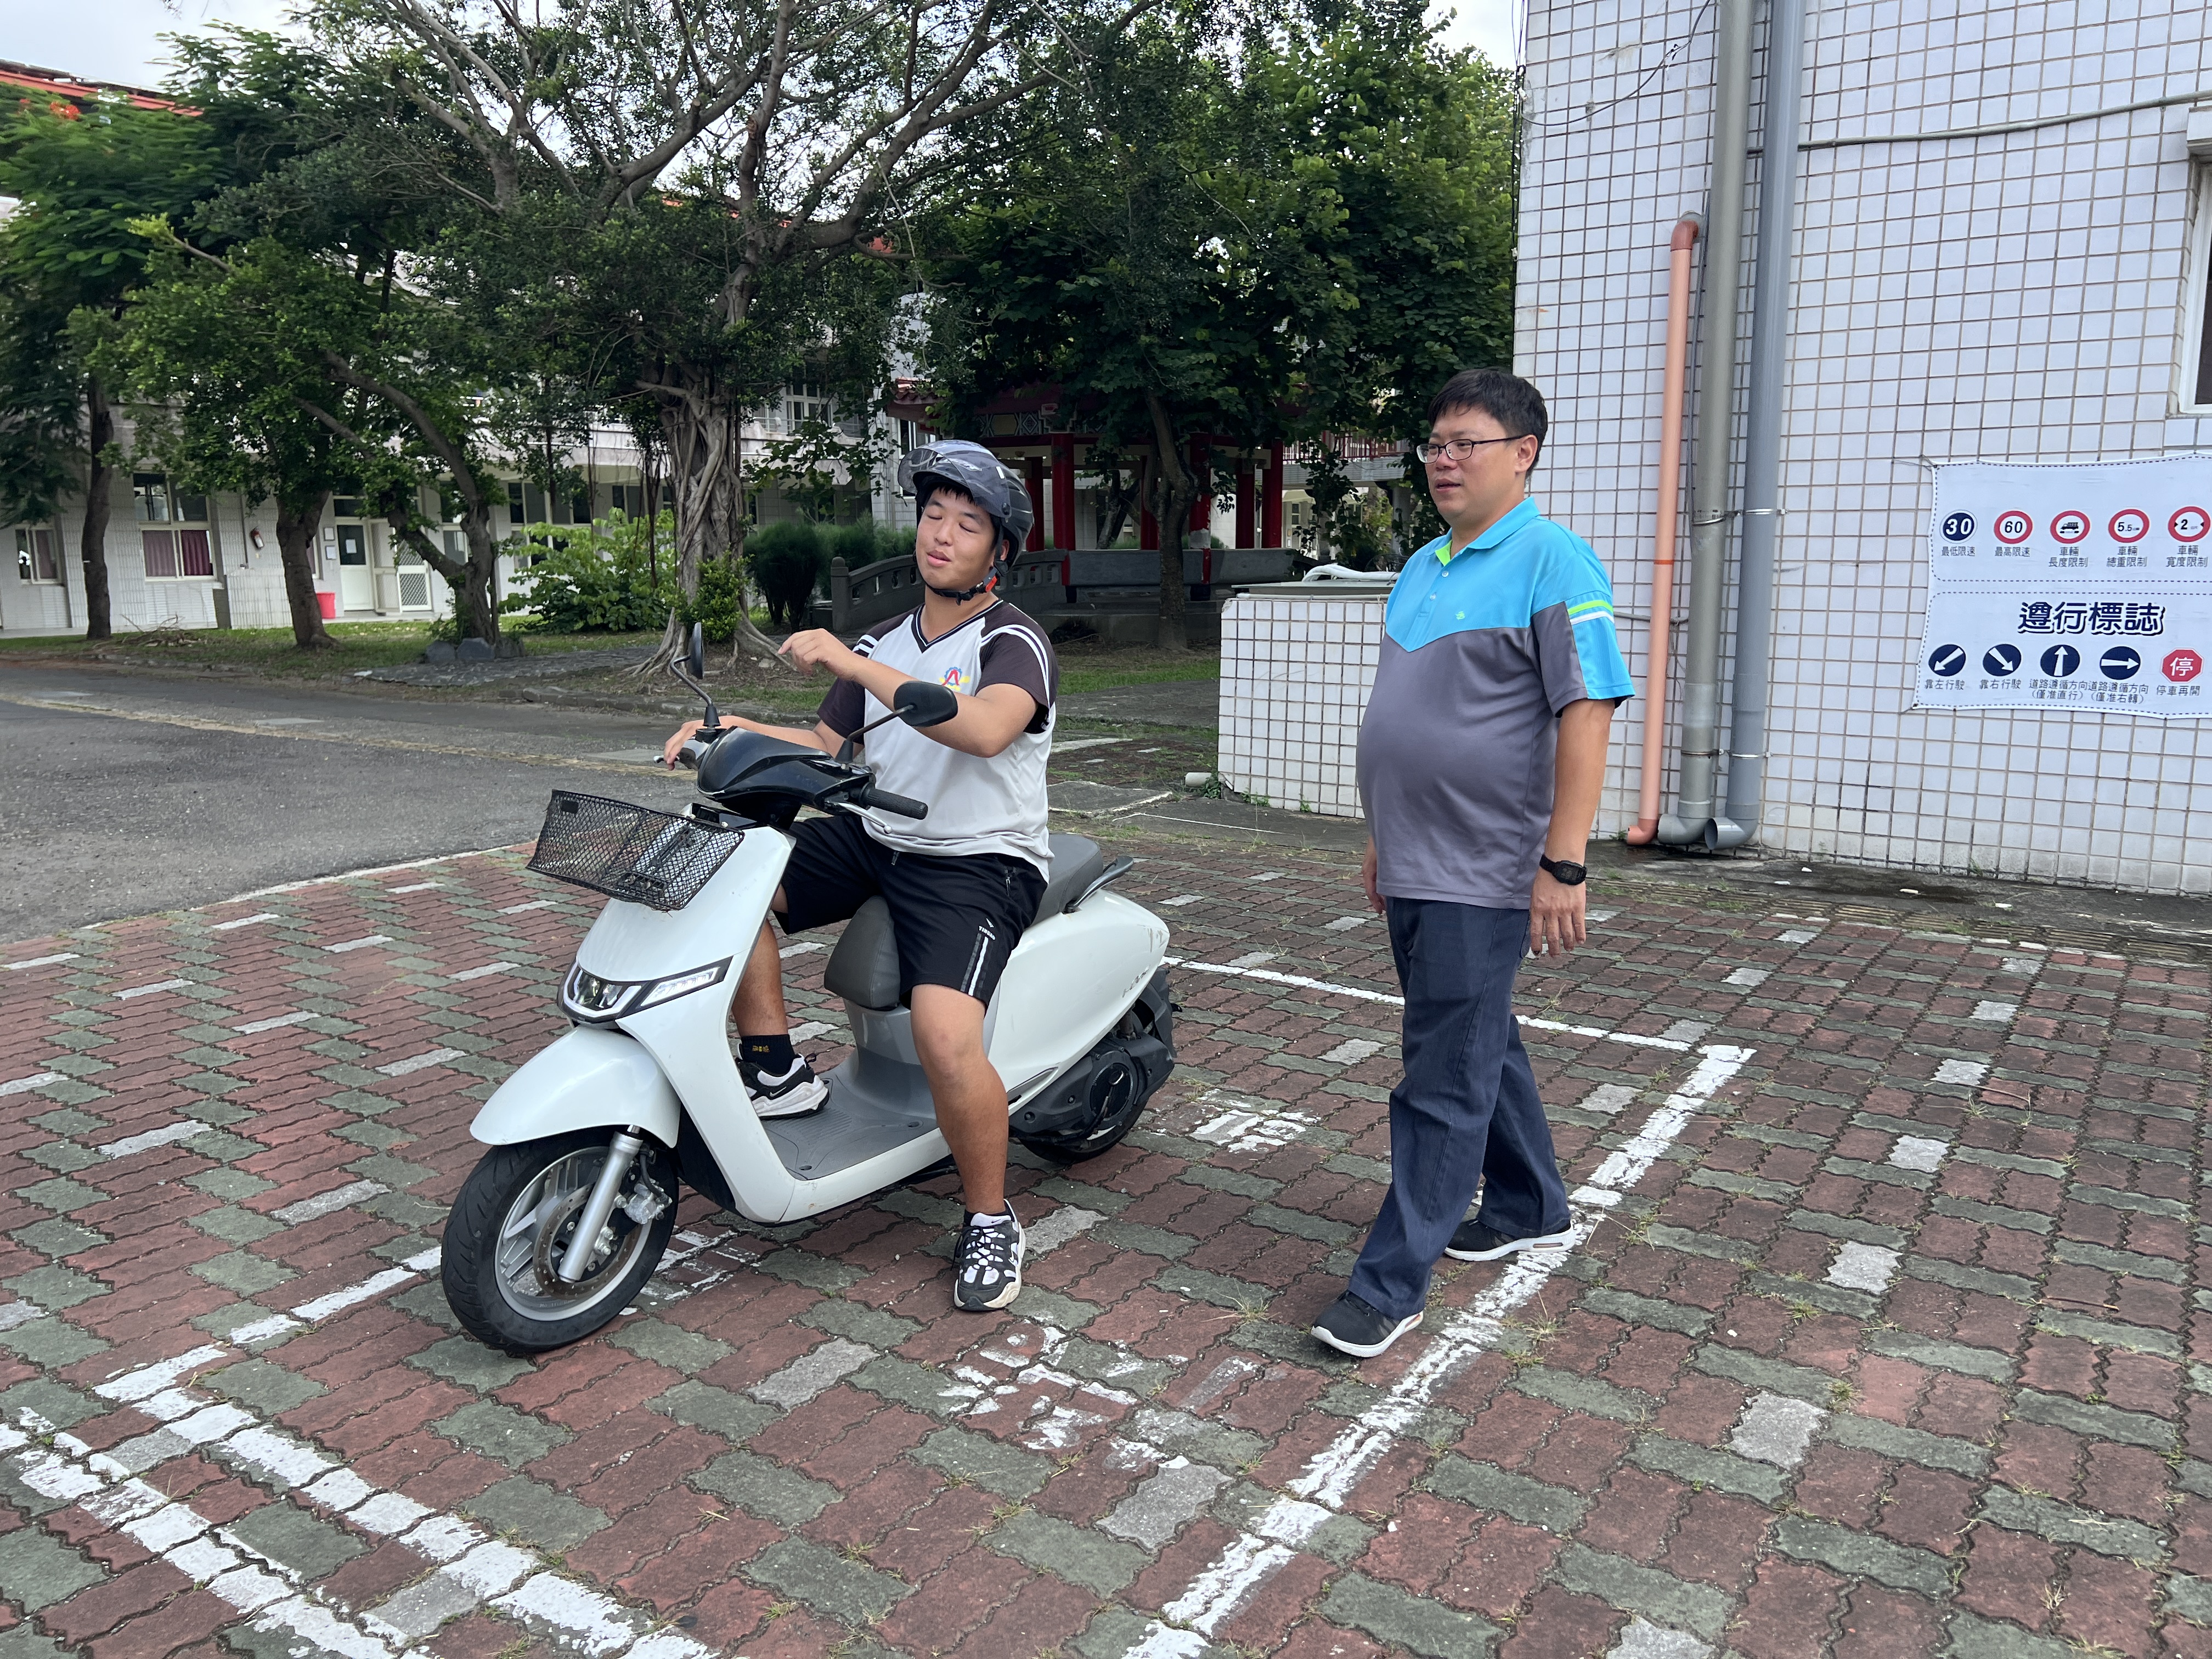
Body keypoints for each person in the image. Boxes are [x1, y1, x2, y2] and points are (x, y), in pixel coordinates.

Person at [661, 441, 1057, 1312]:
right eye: (933, 515)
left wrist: (852, 661)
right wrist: (727, 733)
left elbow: (986, 729)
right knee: (726, 882)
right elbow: (823, 745)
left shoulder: (1012, 640)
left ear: (998, 550)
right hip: (880, 834)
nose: (942, 535)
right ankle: (776, 1071)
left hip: (977, 859)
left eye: (968, 524)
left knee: (945, 1038)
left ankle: (990, 1216)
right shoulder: (886, 639)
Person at [1310, 369, 1634, 1360]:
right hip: (1414, 854)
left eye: (1467, 444)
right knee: (1475, 1037)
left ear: (1524, 454)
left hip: (1483, 863)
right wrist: (1383, 833)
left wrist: (1563, 863)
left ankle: (1390, 1284)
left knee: (1441, 1075)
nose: (1444, 460)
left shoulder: (1554, 560)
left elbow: (1588, 709)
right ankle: (1530, 1202)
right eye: (1435, 444)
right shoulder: (1423, 564)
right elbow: (1409, 716)